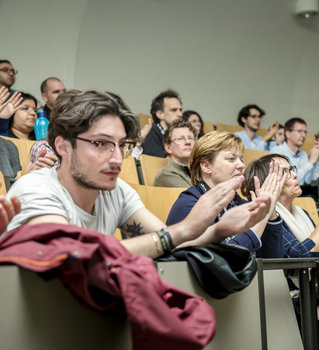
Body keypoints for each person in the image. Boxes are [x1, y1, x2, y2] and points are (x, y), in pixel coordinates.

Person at [6, 90, 272, 260]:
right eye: (101, 144)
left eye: (122, 145)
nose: (117, 158)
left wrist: (217, 230)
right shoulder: (35, 188)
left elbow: (172, 241)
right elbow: (74, 257)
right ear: (63, 146)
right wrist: (183, 229)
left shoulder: (115, 190)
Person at [167, 130, 286, 258]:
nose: (241, 165)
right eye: (231, 159)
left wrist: (270, 210)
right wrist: (263, 216)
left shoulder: (238, 202)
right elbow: (226, 260)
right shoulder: (188, 204)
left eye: (241, 159)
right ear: (206, 166)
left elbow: (274, 258)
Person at [242, 153, 319, 258]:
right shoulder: (267, 217)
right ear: (267, 182)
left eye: (291, 169)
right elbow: (300, 256)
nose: (295, 175)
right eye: (285, 172)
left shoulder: (302, 213)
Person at [270, 117, 319, 196]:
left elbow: (313, 180)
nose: (303, 135)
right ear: (288, 134)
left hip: (303, 192)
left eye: (305, 132)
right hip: (285, 194)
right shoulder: (277, 151)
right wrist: (310, 163)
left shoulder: (303, 154)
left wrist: (317, 159)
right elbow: (289, 180)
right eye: (299, 131)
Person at [141, 89, 183, 157]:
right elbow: (156, 161)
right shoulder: (152, 132)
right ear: (160, 114)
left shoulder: (181, 135)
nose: (180, 114)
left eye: (180, 110)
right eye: (174, 110)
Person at [154, 120, 195, 188]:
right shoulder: (166, 175)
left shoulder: (199, 171)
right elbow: (195, 198)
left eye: (190, 138)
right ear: (168, 148)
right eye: (180, 139)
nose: (188, 142)